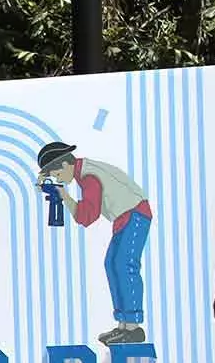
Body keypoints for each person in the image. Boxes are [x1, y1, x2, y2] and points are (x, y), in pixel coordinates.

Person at [36, 141, 153, 345]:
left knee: (124, 266)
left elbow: (86, 216)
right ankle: (124, 325)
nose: (58, 179)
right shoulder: (85, 172)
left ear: (64, 166)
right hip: (125, 217)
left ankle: (133, 327)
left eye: (56, 175)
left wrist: (64, 196)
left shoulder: (89, 178)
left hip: (135, 214)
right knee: (113, 264)